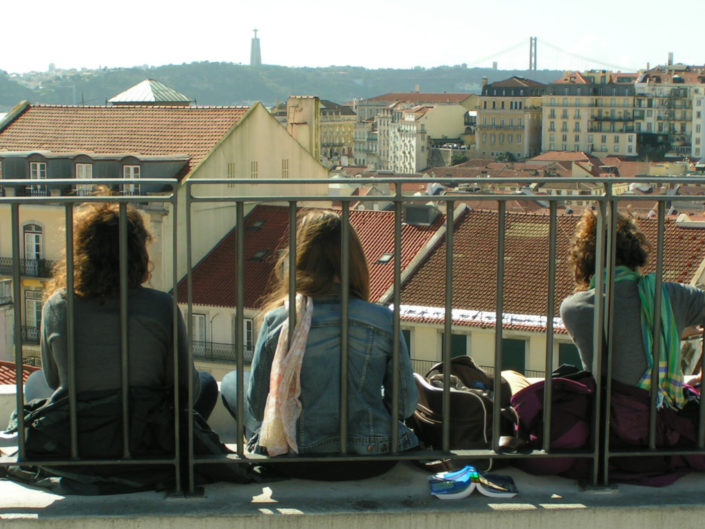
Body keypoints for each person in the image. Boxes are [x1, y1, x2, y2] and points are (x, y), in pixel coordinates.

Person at [220, 210, 419, 479]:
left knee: (232, 381)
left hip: (294, 459)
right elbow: (404, 406)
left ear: (299, 259)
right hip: (372, 458)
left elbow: (257, 408)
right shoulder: (383, 320)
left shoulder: (279, 320)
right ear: (355, 262)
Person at [25, 202, 218, 419]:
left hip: (80, 427)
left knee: (34, 381)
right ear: (139, 253)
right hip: (147, 426)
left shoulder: (58, 305)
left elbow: (53, 379)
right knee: (206, 382)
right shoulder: (161, 305)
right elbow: (187, 387)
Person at [560, 209, 705, 409]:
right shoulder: (674, 296)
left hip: (610, 419)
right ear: (636, 253)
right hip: (668, 414)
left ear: (584, 263)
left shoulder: (574, 308)